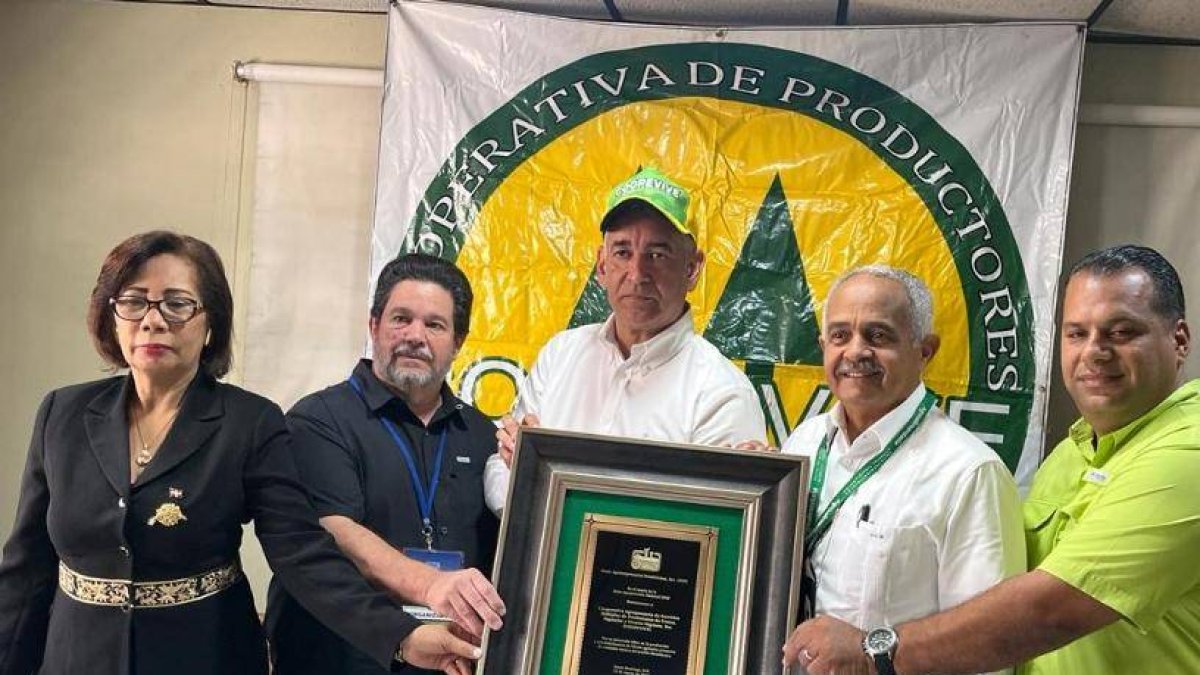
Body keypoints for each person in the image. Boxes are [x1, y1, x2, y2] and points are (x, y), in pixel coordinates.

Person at [0, 231, 477, 675]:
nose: (152, 319)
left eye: (177, 304)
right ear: (112, 315)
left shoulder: (250, 423)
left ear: (211, 323)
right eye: (133, 301)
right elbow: (26, 570)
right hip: (76, 657)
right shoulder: (61, 414)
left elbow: (303, 556)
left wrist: (400, 636)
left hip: (205, 655)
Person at [784, 245, 1199, 675]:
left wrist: (873, 652)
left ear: (1179, 340)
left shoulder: (1189, 453)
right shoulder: (1074, 451)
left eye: (1121, 332)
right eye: (1077, 333)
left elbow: (1050, 609)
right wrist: (744, 482)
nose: (1094, 351)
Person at [780, 265, 1024, 675]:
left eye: (878, 336)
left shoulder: (968, 473)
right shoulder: (803, 443)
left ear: (925, 350)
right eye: (840, 336)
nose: (855, 352)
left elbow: (987, 653)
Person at [266, 254, 503, 674]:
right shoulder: (318, 420)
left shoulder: (483, 434)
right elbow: (335, 531)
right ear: (374, 325)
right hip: (337, 659)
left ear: (459, 341)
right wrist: (433, 585)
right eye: (401, 318)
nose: (415, 336)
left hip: (446, 660)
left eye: (434, 324)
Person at [484, 167, 767, 513]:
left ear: (692, 269)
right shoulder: (561, 354)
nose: (637, 274)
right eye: (622, 252)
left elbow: (715, 529)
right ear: (602, 266)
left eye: (657, 255)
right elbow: (499, 470)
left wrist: (544, 481)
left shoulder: (722, 392)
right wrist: (528, 472)